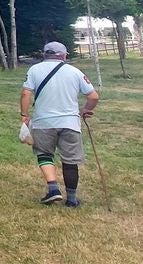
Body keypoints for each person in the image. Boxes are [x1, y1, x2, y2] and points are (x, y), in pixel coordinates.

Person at [20, 41, 100, 206]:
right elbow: (93, 97)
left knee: (44, 154)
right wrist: (85, 110)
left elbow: (25, 94)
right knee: (70, 160)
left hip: (43, 121)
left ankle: (53, 189)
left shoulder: (34, 70)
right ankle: (71, 199)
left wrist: (24, 114)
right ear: (64, 55)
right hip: (70, 122)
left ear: (45, 54)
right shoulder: (75, 72)